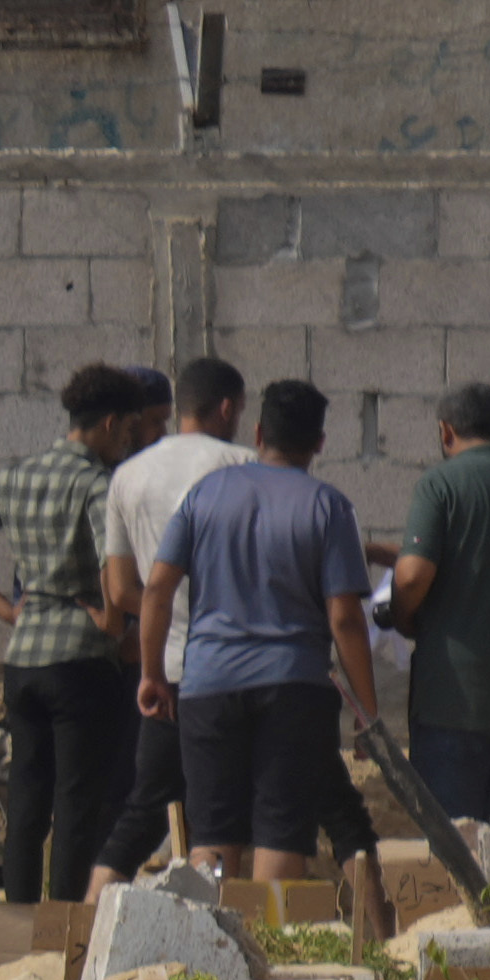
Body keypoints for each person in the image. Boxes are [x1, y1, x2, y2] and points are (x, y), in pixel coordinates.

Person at [150, 376, 385, 897]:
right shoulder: (329, 507)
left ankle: (207, 954)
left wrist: (151, 675)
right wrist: (367, 712)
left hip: (208, 686)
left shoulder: (205, 495)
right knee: (282, 831)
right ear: (320, 443)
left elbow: (158, 590)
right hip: (293, 689)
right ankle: (275, 944)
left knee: (211, 833)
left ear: (257, 431)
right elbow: (345, 617)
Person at [0, 367, 152, 908]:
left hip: (24, 658)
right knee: (78, 803)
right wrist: (114, 620)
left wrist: (6, 610)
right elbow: (115, 571)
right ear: (109, 423)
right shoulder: (98, 484)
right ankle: (59, 924)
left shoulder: (17, 474)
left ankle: (18, 913)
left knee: (27, 802)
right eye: (128, 428)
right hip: (81, 659)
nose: (129, 440)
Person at [95, 357, 252, 888]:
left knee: (142, 813)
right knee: (223, 814)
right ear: (228, 407)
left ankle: (85, 930)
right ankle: (221, 933)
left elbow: (119, 590)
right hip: (230, 670)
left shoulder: (127, 475)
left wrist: (168, 618)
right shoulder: (244, 465)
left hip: (161, 671)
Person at [391, 377, 490, 883]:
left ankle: (453, 952)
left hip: (453, 700)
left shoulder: (441, 485)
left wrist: (403, 614)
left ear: (445, 431)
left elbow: (412, 575)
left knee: (452, 853)